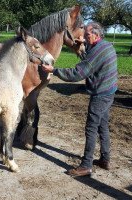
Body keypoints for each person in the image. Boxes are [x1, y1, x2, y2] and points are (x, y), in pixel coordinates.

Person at [42, 22, 118, 177]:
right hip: (110, 91)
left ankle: (86, 165)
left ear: (96, 34)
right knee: (102, 126)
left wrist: (54, 70)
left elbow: (78, 73)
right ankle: (105, 159)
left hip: (101, 95)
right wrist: (83, 45)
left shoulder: (97, 51)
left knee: (91, 128)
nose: (84, 37)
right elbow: (91, 59)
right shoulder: (105, 45)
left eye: (87, 34)